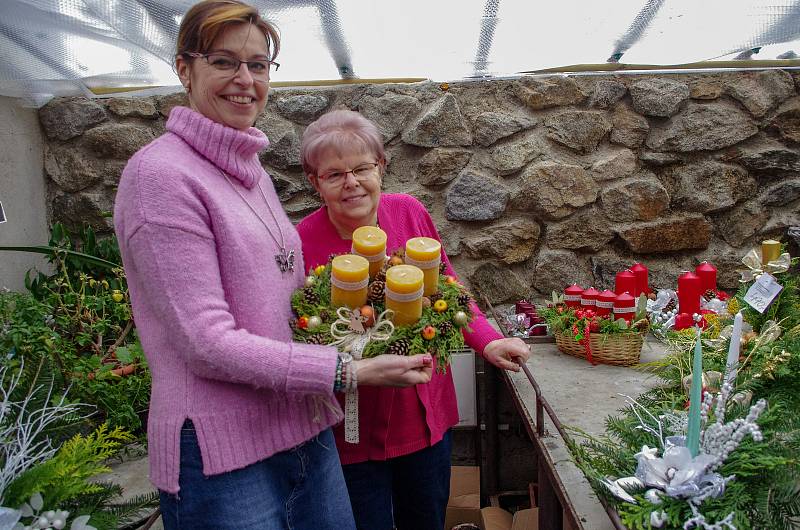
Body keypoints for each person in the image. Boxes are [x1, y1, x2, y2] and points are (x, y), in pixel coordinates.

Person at [113, 3, 432, 529]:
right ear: (183, 68)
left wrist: (369, 318)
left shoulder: (249, 170)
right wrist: (345, 369)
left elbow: (280, 291)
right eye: (224, 61)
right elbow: (205, 341)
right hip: (224, 454)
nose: (245, 80)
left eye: (258, 65)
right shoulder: (161, 178)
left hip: (301, 428)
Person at [297, 109, 532, 530]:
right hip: (351, 428)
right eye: (334, 175)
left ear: (381, 167)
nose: (351, 183)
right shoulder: (302, 242)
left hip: (423, 417)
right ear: (315, 183)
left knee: (425, 518)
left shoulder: (408, 212)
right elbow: (299, 331)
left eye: (362, 168)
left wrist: (488, 342)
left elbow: (449, 289)